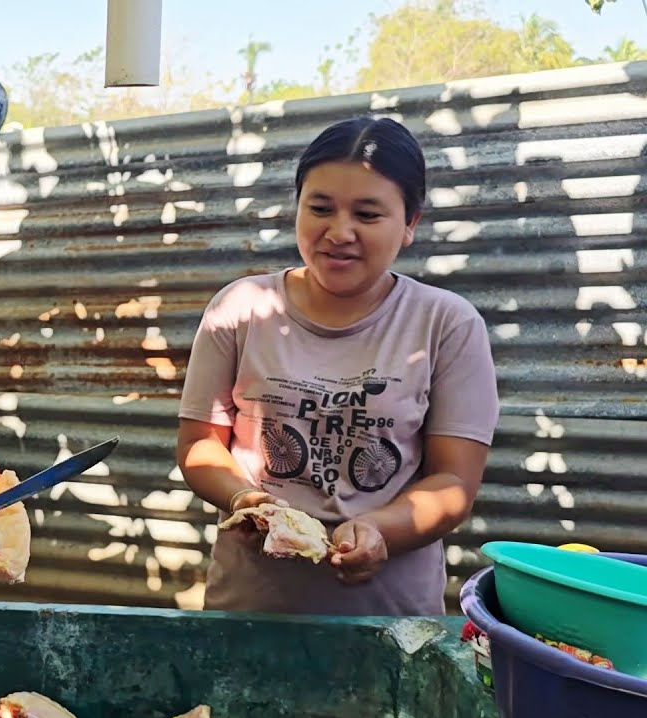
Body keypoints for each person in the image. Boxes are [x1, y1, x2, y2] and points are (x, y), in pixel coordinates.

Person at [176, 116, 499, 616]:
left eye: (368, 215)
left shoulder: (446, 324)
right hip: (249, 613)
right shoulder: (239, 308)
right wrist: (244, 498)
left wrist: (380, 530)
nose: (339, 232)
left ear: (410, 223)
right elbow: (200, 444)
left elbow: (454, 482)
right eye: (320, 208)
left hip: (390, 623)